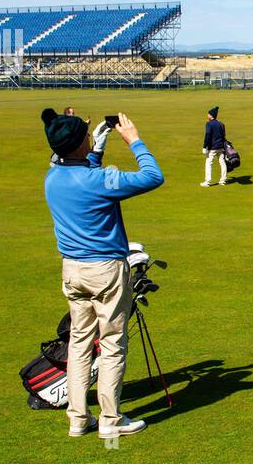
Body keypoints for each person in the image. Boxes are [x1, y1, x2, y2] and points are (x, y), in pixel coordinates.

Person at [42, 108, 164, 439]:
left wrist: (96, 149)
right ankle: (111, 420)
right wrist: (134, 140)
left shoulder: (52, 177)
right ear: (80, 145)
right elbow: (153, 176)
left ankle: (78, 418)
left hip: (72, 269)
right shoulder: (100, 180)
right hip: (105, 270)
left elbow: (82, 173)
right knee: (111, 342)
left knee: (80, 342)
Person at [202, 106, 227, 186]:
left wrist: (204, 147)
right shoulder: (221, 124)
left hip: (212, 148)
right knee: (222, 163)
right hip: (221, 147)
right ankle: (223, 180)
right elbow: (223, 136)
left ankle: (207, 181)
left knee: (209, 163)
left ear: (211, 115)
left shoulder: (209, 124)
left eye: (208, 114)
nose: (207, 115)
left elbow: (207, 135)